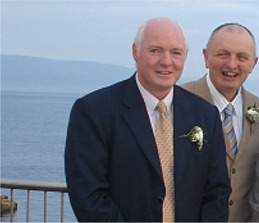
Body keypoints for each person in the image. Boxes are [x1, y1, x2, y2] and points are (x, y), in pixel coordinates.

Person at [65, 17, 231, 222]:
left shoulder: (206, 115)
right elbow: (88, 196)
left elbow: (217, 193)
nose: (166, 61)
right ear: (136, 52)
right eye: (155, 50)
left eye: (176, 52)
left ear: (185, 57)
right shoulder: (94, 111)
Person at [182, 23, 259, 222]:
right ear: (206, 57)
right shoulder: (178, 103)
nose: (232, 65)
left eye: (242, 57)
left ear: (254, 63)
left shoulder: (257, 108)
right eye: (223, 54)